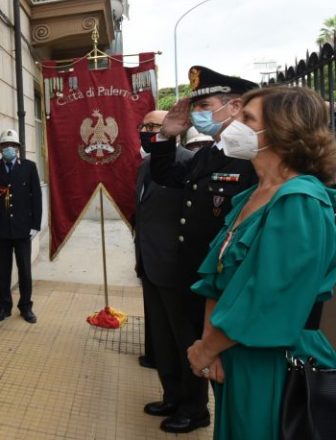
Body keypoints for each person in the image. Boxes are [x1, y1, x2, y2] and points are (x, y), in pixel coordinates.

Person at [187, 86, 336, 439]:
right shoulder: (250, 196)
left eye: (246, 119)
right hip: (233, 354)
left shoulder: (299, 201)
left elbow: (267, 300)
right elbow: (216, 277)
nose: (232, 124)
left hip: (273, 362)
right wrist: (213, 350)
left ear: (284, 131)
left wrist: (205, 349)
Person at [146, 66, 259, 433]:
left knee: (209, 350)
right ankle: (181, 399)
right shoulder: (209, 153)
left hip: (223, 279)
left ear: (234, 106)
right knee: (184, 342)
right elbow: (167, 176)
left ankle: (196, 411)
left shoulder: (252, 159)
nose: (197, 114)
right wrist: (166, 136)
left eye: (205, 105)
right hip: (191, 272)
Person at [134, 110, 195, 376]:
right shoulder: (146, 165)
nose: (148, 131)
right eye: (144, 125)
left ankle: (192, 407)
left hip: (174, 265)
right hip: (149, 262)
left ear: (175, 128)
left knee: (181, 336)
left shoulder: (188, 163)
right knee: (160, 335)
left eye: (155, 126)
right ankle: (170, 396)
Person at [0, 129, 42, 324]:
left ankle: (26, 307)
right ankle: (4, 307)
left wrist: (35, 225)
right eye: (5, 145)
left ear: (18, 148)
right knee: (2, 270)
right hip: (1, 229)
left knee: (25, 270)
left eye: (13, 146)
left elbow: (37, 198)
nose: (9, 148)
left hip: (23, 229)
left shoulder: (29, 167)